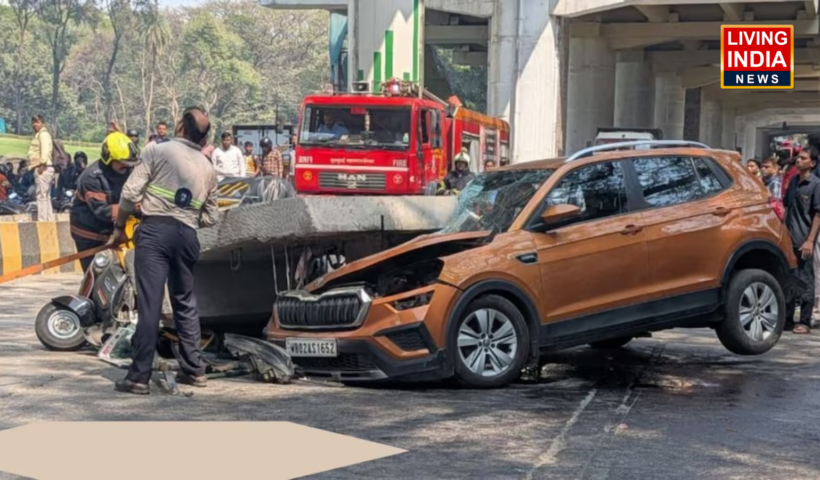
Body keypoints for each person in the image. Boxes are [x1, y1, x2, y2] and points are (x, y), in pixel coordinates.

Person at [110, 106, 219, 395]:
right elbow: (211, 217)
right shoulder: (207, 167)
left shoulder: (157, 150)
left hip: (155, 232)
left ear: (181, 126)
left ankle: (139, 377)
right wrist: (186, 217)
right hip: (187, 236)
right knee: (185, 301)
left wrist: (120, 228)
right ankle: (194, 370)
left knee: (150, 304)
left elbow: (129, 194)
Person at [69, 133, 140, 272]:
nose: (127, 169)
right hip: (89, 235)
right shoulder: (91, 178)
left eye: (130, 165)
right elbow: (102, 211)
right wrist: (132, 208)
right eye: (123, 165)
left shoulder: (127, 172)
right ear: (109, 159)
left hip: (114, 231)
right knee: (97, 273)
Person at [783, 147, 820, 334]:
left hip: (804, 240)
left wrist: (810, 240)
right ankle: (787, 320)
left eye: (803, 158)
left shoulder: (816, 185)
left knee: (806, 279)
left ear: (812, 163)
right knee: (790, 279)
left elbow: (818, 214)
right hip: (788, 240)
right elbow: (786, 208)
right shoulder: (793, 182)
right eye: (798, 158)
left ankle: (804, 321)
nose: (798, 160)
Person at [27, 115, 55, 221]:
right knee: (45, 196)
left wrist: (41, 165)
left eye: (37, 122)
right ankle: (48, 220)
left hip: (43, 168)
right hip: (44, 167)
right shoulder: (39, 134)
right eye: (33, 122)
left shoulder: (43, 135)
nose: (35, 124)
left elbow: (45, 150)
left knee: (41, 196)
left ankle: (43, 221)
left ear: (42, 123)